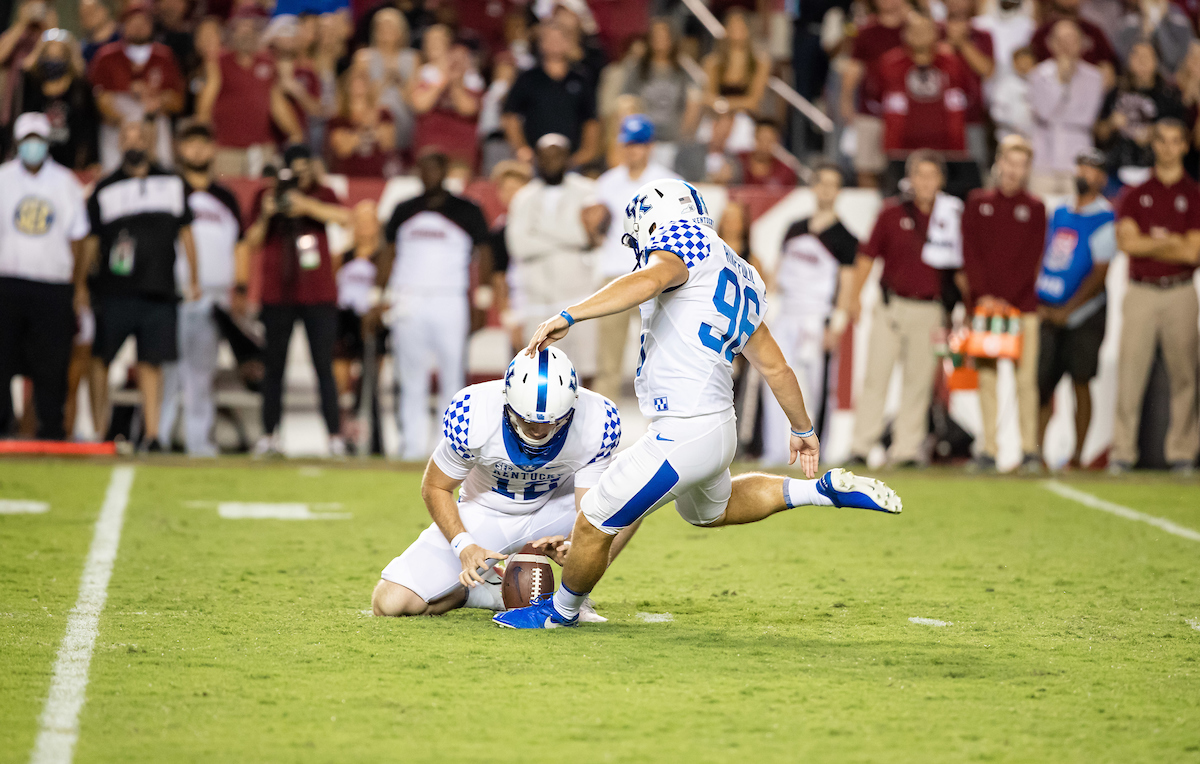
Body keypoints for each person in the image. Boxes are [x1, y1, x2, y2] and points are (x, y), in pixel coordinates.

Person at [493, 179, 902, 630]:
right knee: (711, 511)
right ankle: (820, 491)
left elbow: (649, 280)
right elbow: (776, 368)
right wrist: (803, 430)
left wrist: (570, 314)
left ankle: (560, 614)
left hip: (684, 428)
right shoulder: (739, 269)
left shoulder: (680, 244)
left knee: (593, 521)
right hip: (715, 426)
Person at [372, 347, 633, 620]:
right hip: (486, 513)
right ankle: (480, 592)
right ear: (506, 400)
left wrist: (574, 546)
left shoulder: (597, 418)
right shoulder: (473, 413)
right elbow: (435, 486)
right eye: (527, 419)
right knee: (390, 603)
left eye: (552, 421)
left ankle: (574, 597)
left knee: (632, 488)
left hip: (556, 508)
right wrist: (465, 546)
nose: (539, 431)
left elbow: (588, 507)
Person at [87, 119, 199, 450]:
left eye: (140, 136)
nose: (134, 142)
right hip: (114, 290)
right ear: (119, 143)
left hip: (160, 289)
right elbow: (92, 241)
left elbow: (187, 231)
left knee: (152, 362)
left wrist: (194, 277)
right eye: (127, 136)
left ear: (151, 141)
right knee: (100, 358)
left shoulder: (172, 182)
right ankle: (100, 430)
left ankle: (152, 434)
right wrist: (81, 283)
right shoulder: (105, 187)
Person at [374, 150, 490, 461]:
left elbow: (486, 254)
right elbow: (387, 253)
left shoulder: (468, 210)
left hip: (450, 298)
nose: (429, 173)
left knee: (453, 377)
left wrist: (483, 300)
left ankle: (449, 452)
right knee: (410, 377)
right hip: (407, 299)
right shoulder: (403, 209)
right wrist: (378, 298)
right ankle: (411, 449)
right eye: (423, 167)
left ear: (446, 170)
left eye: (435, 167)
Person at [845, 151, 954, 468]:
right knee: (876, 377)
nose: (925, 182)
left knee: (918, 383)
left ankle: (906, 450)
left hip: (930, 308)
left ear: (941, 180)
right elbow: (867, 256)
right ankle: (861, 446)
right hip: (891, 306)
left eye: (931, 175)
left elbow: (960, 266)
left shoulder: (951, 216)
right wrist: (855, 297)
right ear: (910, 178)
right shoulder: (891, 212)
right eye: (920, 175)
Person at [243, 143, 351, 457]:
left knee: (323, 366)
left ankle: (333, 436)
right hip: (277, 295)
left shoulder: (322, 193)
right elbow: (251, 241)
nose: (299, 176)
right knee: (274, 367)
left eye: (305, 169)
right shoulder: (267, 196)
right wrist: (267, 215)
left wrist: (306, 206)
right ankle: (269, 434)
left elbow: (344, 217)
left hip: (318, 295)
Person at [1110, 118, 1200, 474]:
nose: (1167, 146)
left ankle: (1182, 452)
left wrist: (1152, 244)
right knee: (1130, 372)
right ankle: (1122, 451)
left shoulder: (1193, 195)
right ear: (1155, 145)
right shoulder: (1134, 194)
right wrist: (1172, 242)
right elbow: (1127, 243)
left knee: (1185, 375)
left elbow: (1194, 254)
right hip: (1142, 291)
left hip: (1180, 292)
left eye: (1174, 140)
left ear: (1183, 146)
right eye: (1161, 140)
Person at [0, 113, 91, 440]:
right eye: (27, 140)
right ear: (18, 142)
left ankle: (51, 432)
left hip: (52, 286)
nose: (32, 146)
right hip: (7, 282)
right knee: (2, 361)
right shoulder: (4, 178)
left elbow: (78, 237)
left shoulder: (65, 182)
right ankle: (3, 429)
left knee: (51, 365)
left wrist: (77, 284)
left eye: (37, 139)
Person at [761, 162, 858, 466]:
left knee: (817, 389)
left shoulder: (845, 237)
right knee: (775, 381)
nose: (827, 189)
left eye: (833, 184)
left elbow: (847, 285)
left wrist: (837, 325)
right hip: (787, 315)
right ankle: (775, 451)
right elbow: (778, 272)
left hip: (817, 319)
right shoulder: (795, 227)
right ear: (814, 187)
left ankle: (819, 450)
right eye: (822, 183)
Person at [961, 136, 1047, 472]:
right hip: (984, 308)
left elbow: (1031, 260)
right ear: (998, 162)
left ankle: (1028, 451)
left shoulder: (1036, 208)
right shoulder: (977, 202)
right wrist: (984, 296)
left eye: (1020, 164)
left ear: (1027, 169)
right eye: (1009, 162)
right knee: (987, 380)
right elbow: (970, 254)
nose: (1013, 170)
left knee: (1027, 380)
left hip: (1023, 309)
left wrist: (1005, 300)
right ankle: (989, 450)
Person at [158, 121, 244, 457]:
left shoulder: (226, 198)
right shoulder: (169, 189)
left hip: (213, 296)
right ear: (179, 149)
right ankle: (158, 437)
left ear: (213, 149)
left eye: (202, 143)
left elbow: (239, 245)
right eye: (189, 143)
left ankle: (199, 442)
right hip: (172, 292)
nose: (196, 150)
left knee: (201, 376)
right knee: (166, 370)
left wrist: (239, 290)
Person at [1035, 149, 1116, 470]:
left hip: (1085, 313)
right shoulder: (1059, 212)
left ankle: (1079, 457)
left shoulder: (1105, 217)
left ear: (1102, 179)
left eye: (1093, 170)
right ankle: (1037, 454)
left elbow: (1100, 274)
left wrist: (1069, 310)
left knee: (1080, 381)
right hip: (1050, 307)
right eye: (1082, 167)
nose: (1085, 174)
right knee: (1043, 384)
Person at [505, 133, 608, 379]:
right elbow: (519, 246)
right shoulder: (524, 197)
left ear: (568, 158)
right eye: (545, 156)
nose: (551, 162)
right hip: (537, 298)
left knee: (587, 369)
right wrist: (572, 235)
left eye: (557, 156)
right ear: (537, 159)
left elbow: (590, 237)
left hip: (580, 295)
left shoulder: (589, 191)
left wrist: (539, 230)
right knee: (540, 370)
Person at [592, 114, 678, 402]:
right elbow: (596, 229)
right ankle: (600, 428)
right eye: (628, 144)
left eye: (639, 144)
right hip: (615, 273)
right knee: (608, 360)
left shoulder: (669, 182)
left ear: (650, 146)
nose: (633, 150)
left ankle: (660, 426)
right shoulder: (607, 182)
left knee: (659, 355)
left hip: (654, 275)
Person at [194, 10, 303, 177]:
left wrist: (295, 132)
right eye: (242, 28)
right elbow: (205, 104)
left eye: (251, 29)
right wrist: (203, 140)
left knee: (261, 194)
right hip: (226, 148)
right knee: (229, 193)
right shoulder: (219, 61)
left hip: (261, 148)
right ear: (233, 33)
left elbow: (275, 101)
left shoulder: (267, 62)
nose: (247, 33)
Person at [88, 0, 185, 172]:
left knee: (161, 172)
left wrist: (158, 100)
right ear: (123, 25)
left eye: (144, 22)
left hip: (153, 123)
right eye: (133, 21)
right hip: (117, 127)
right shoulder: (107, 56)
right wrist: (124, 121)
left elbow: (177, 101)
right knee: (115, 176)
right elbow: (98, 99)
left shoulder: (164, 56)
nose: (139, 26)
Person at [502, 22, 600, 167]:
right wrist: (521, 148)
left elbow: (591, 121)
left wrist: (585, 154)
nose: (555, 43)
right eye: (550, 39)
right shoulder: (528, 78)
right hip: (535, 162)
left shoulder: (581, 79)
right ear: (541, 43)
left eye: (560, 39)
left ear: (569, 43)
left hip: (571, 163)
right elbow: (510, 116)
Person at [1028, 20, 1106, 197]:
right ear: (1052, 44)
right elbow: (1043, 112)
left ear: (1081, 44)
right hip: (1043, 158)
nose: (1066, 46)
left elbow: (1086, 117)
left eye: (1071, 40)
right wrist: (1060, 82)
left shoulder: (1094, 77)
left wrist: (1058, 113)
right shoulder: (1038, 75)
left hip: (1077, 158)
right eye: (1061, 40)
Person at [1094, 41, 1185, 188]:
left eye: (1147, 57)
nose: (1142, 61)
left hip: (1155, 171)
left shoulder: (1169, 97)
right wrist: (1111, 123)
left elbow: (1181, 136)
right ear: (1129, 60)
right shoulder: (1115, 93)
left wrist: (1155, 135)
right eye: (1137, 56)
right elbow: (1099, 134)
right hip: (1115, 170)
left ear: (1157, 61)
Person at [839, 0, 908, 187]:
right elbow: (854, 68)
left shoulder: (913, 29)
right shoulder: (866, 31)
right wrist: (846, 102)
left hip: (907, 114)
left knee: (904, 168)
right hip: (871, 110)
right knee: (866, 167)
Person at [620, 18, 700, 169]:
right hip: (644, 141)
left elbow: (694, 101)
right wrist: (634, 139)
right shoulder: (638, 69)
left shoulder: (683, 70)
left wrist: (683, 140)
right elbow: (626, 104)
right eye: (656, 36)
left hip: (673, 141)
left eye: (664, 36)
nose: (660, 40)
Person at [19, 28, 101, 171]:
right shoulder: (30, 84)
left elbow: (90, 128)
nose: (53, 61)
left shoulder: (81, 88)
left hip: (71, 163)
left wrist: (91, 161)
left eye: (59, 56)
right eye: (49, 56)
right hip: (34, 161)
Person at [408, 24, 484, 169]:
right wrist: (443, 79)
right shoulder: (423, 73)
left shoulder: (470, 75)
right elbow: (420, 106)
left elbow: (468, 109)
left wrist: (455, 82)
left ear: (449, 44)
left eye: (437, 41)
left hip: (460, 153)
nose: (432, 45)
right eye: (429, 41)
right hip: (428, 151)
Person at [326, 70, 399, 177]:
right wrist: (369, 129)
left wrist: (354, 136)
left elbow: (388, 144)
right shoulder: (337, 119)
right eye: (355, 80)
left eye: (363, 80)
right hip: (347, 175)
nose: (359, 84)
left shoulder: (384, 114)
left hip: (379, 175)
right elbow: (343, 150)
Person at [738, 120, 799, 187]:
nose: (764, 145)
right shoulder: (738, 161)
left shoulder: (785, 172)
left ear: (777, 141)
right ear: (754, 137)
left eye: (769, 141)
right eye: (761, 139)